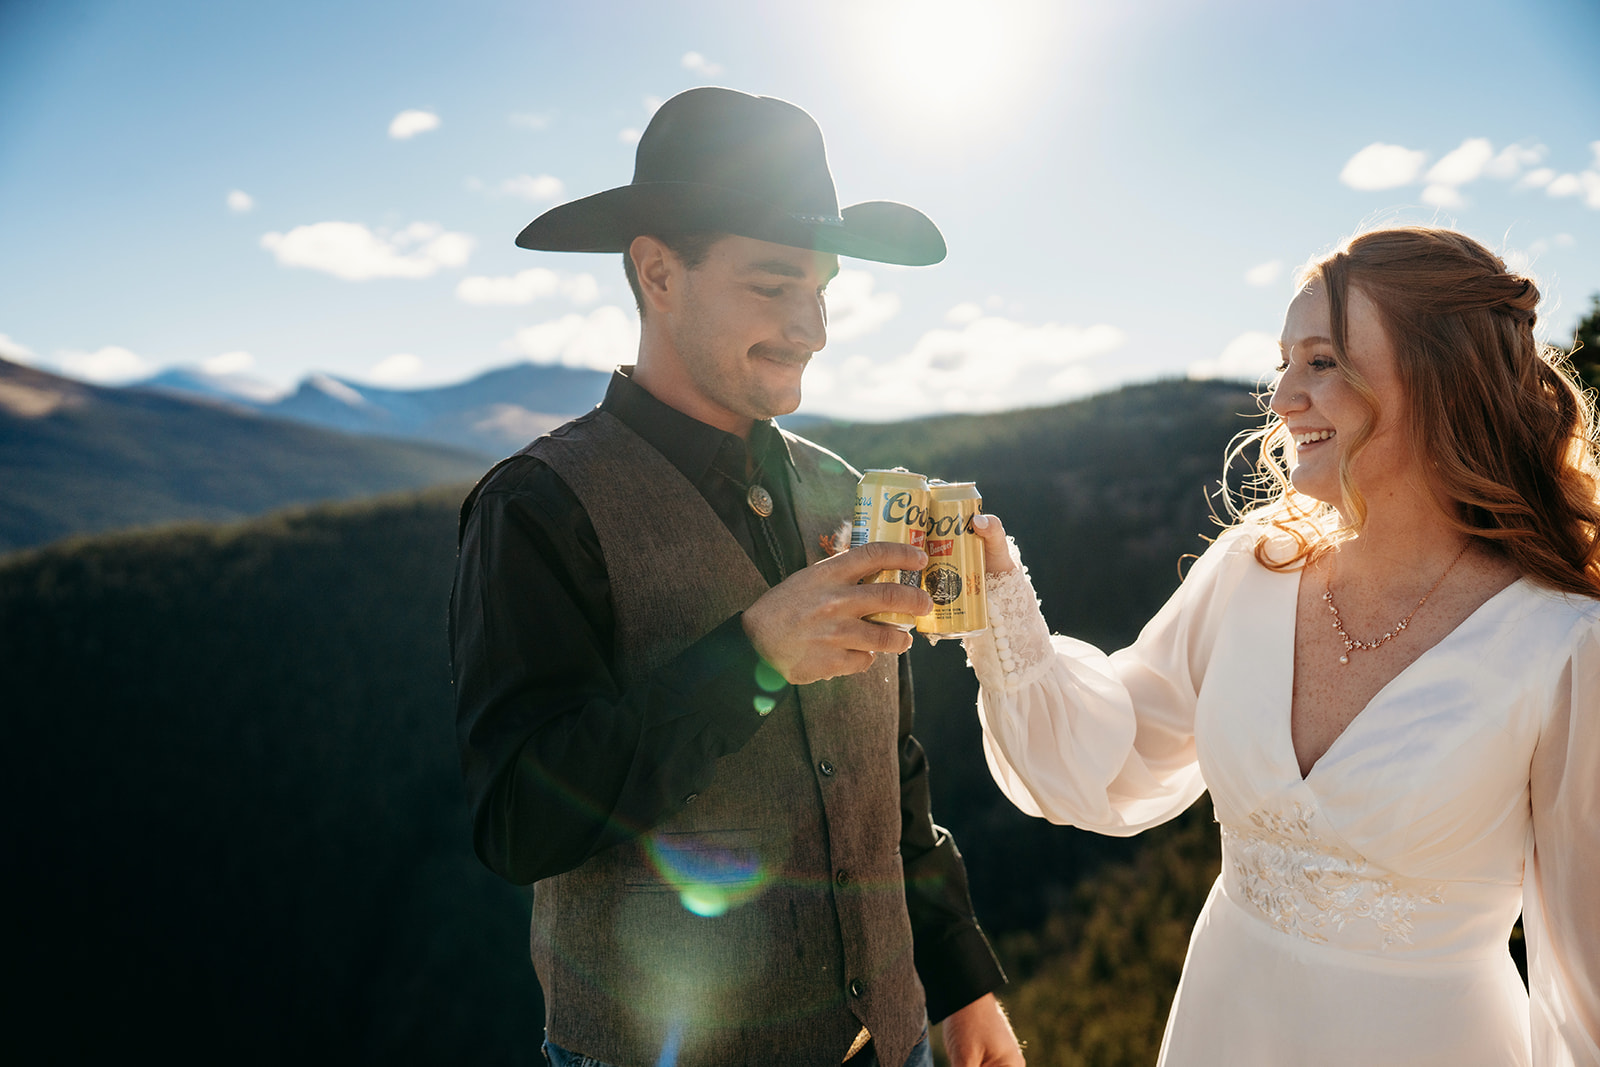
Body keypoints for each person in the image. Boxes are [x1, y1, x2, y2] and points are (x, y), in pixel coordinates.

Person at [449, 87, 1022, 1067]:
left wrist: (960, 980)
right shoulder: (537, 506)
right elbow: (517, 822)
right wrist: (752, 655)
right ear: (658, 272)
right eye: (771, 285)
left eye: (822, 288)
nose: (813, 327)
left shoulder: (839, 489)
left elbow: (890, 770)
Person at [963, 227, 1599, 1065]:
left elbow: (1585, 976)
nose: (1283, 396)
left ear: (1443, 376)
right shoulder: (1252, 568)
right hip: (1221, 1028)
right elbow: (1111, 756)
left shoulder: (1563, 643)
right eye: (1283, 363)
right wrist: (998, 603)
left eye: (1323, 360)